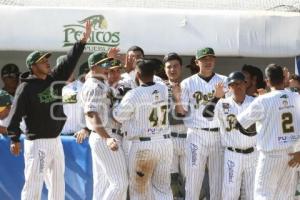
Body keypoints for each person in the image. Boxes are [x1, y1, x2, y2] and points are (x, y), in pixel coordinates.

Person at [7, 21, 91, 200]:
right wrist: (14, 138)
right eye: (43, 61)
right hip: (37, 143)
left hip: (55, 140)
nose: (47, 63)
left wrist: (81, 42)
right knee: (33, 183)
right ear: (33, 66)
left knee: (57, 183)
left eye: (47, 60)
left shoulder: (54, 79)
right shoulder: (25, 88)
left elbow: (69, 61)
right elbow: (16, 113)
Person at [236, 64, 300, 199]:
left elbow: (240, 124)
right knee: (285, 197)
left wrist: (261, 129)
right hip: (293, 153)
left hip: (270, 155)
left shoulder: (262, 100)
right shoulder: (296, 97)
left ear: (267, 81)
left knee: (263, 195)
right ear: (284, 79)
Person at [113, 58, 173, 200]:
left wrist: (118, 100)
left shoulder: (133, 94)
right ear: (153, 73)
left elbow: (118, 116)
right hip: (165, 143)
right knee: (163, 188)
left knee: (139, 190)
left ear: (138, 75)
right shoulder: (163, 88)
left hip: (143, 146)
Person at [173, 47, 227, 200]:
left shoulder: (224, 80)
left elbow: (231, 107)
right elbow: (181, 112)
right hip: (196, 134)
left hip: (218, 134)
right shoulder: (188, 83)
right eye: (204, 59)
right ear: (197, 62)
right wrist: (177, 98)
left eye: (210, 58)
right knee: (193, 178)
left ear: (214, 60)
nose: (208, 61)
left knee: (217, 180)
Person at [80, 51, 128, 200]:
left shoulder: (100, 83)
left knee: (103, 184)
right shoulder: (93, 86)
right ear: (93, 67)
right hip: (105, 135)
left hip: (104, 135)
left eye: (108, 63)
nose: (108, 66)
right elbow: (91, 113)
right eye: (104, 64)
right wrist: (107, 138)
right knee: (120, 183)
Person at [203, 71, 257, 200]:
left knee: (251, 194)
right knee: (230, 193)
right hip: (232, 154)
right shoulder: (222, 103)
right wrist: (216, 97)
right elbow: (206, 115)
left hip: (253, 153)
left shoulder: (255, 101)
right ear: (229, 87)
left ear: (245, 84)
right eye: (233, 84)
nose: (237, 87)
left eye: (239, 83)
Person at [163, 53, 187, 198]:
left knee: (190, 179)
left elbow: (185, 114)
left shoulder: (189, 85)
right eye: (169, 67)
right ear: (164, 69)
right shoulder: (159, 87)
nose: (172, 69)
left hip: (186, 136)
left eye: (175, 66)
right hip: (168, 136)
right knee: (170, 179)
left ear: (181, 67)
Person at [61, 62, 89, 136]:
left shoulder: (96, 90)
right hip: (62, 135)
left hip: (81, 135)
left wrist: (86, 129)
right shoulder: (66, 88)